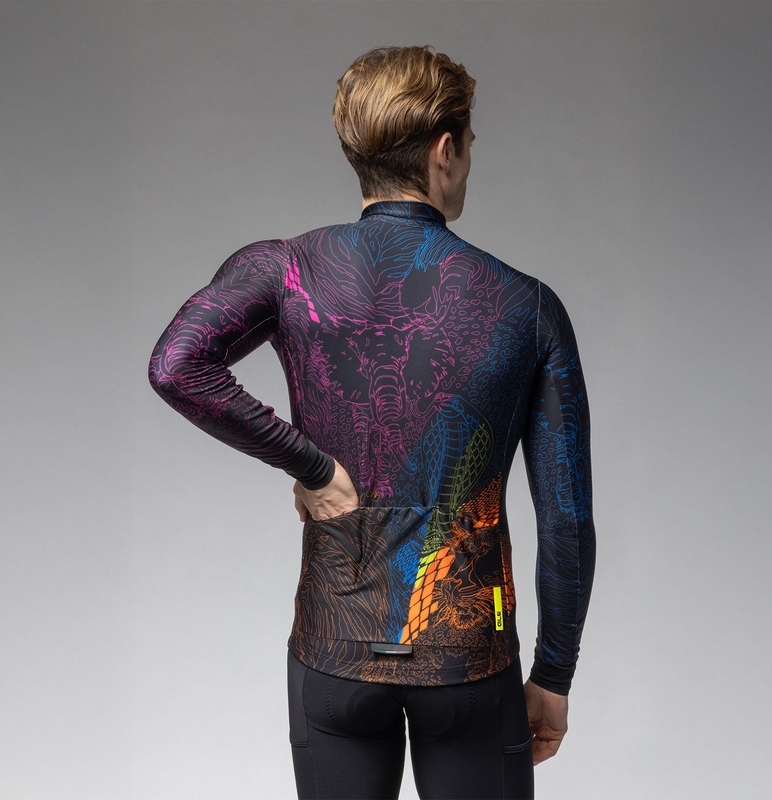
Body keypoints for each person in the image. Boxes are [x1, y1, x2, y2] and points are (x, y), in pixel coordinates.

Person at [149, 45, 595, 800]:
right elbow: (566, 520)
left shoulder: (284, 269)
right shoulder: (527, 306)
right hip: (469, 654)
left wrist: (310, 465)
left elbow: (176, 364)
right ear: (445, 150)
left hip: (333, 648)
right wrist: (553, 673)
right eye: (470, 146)